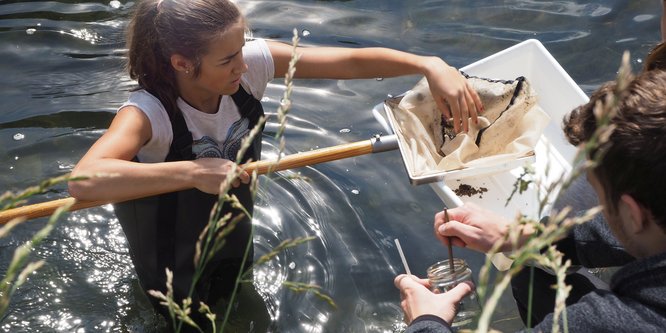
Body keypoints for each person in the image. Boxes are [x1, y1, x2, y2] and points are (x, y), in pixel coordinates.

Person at [67, 0, 483, 330]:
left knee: (238, 293)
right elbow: (85, 179)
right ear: (182, 63)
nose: (244, 65)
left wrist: (428, 65)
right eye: (228, 59)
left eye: (242, 49)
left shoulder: (245, 73)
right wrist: (193, 171)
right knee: (185, 320)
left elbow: (349, 63)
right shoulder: (147, 113)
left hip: (235, 231)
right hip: (170, 259)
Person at [394, 69, 666, 332]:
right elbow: (614, 236)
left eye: (600, 200)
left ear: (633, 212)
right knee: (531, 276)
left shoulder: (617, 321)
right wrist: (530, 237)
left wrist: (426, 322)